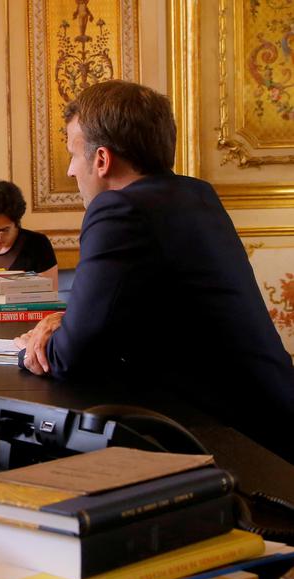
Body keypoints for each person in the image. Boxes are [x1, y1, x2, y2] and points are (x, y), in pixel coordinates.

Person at [15, 80, 294, 461]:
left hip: (236, 446)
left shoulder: (120, 210)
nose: (70, 170)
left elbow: (68, 356)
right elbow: (137, 312)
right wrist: (66, 321)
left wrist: (30, 348)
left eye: (73, 155)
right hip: (273, 419)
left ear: (101, 159)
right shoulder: (194, 195)